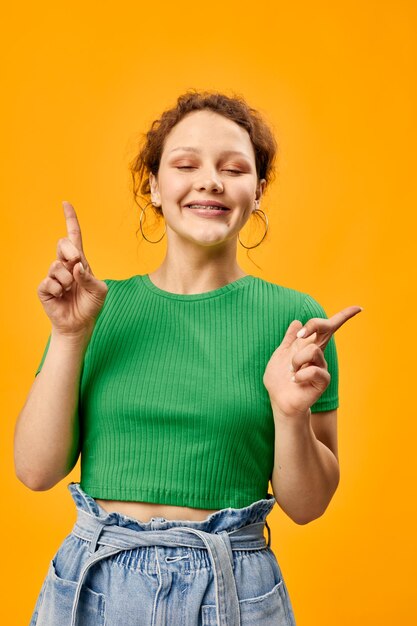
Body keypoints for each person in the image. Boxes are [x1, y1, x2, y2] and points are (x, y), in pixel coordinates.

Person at [15, 90, 362, 626]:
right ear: (153, 186)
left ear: (258, 190)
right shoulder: (97, 307)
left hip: (234, 586)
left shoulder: (295, 319)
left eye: (234, 168)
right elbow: (36, 471)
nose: (211, 181)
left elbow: (308, 505)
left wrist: (289, 412)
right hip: (97, 583)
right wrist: (67, 335)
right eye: (186, 164)